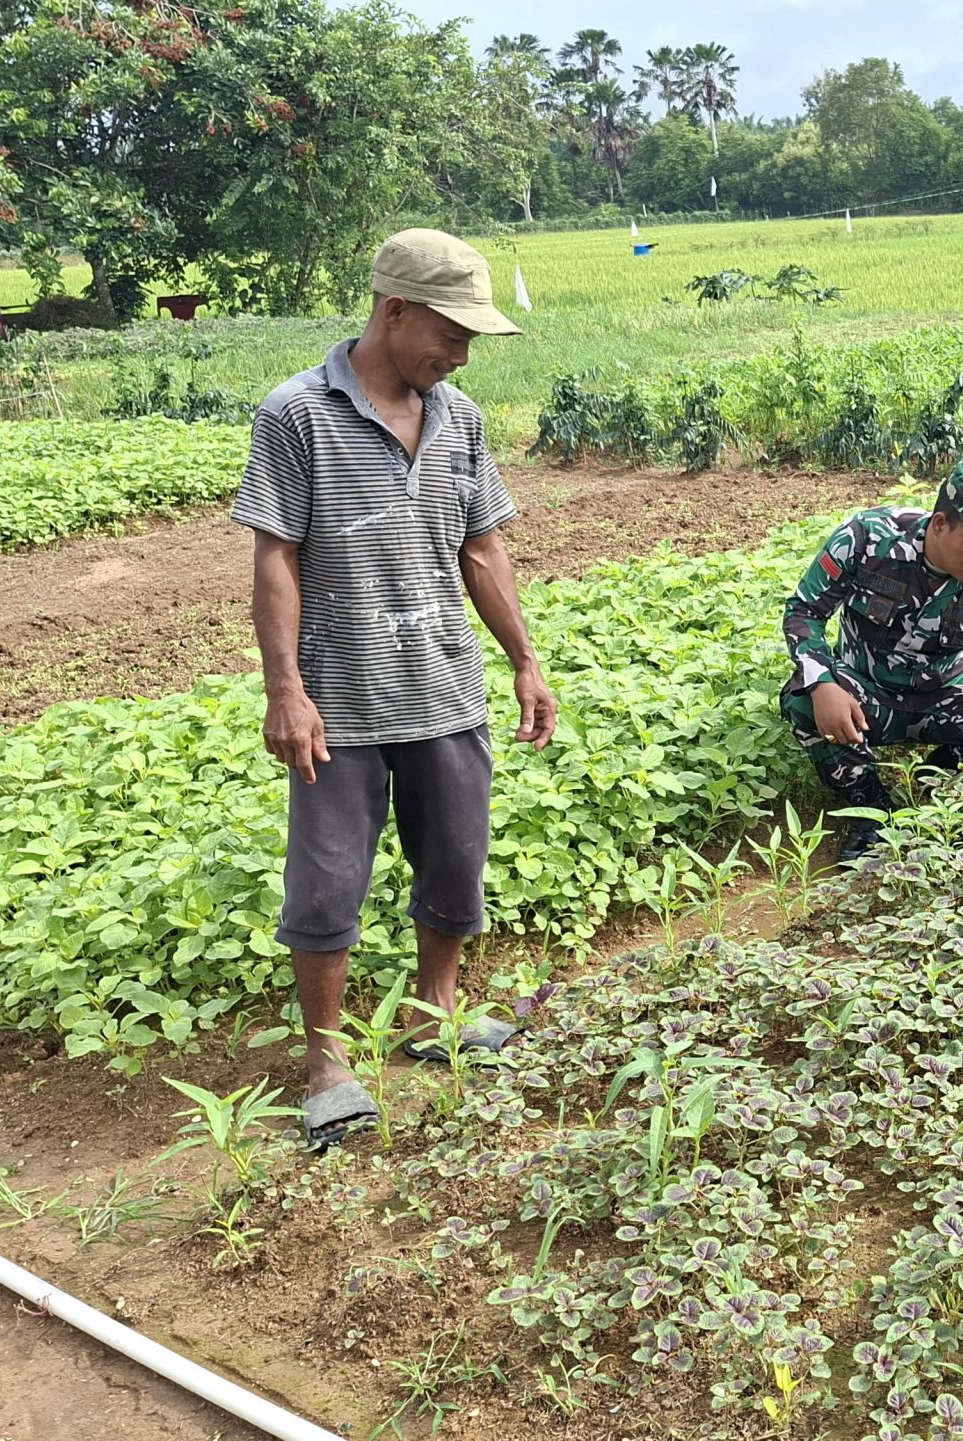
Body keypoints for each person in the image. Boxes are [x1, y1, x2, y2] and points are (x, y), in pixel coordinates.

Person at [230, 228, 557, 1148]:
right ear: (395, 309)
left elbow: (482, 547)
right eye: (451, 335)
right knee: (328, 882)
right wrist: (285, 688)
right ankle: (326, 1062)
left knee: (455, 866)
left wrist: (525, 659)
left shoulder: (459, 418)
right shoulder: (296, 414)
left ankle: (434, 1013)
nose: (459, 356)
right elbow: (276, 557)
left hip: (444, 688)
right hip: (342, 701)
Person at [781, 456, 963, 860]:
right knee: (802, 699)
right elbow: (804, 612)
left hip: (947, 693)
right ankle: (870, 810)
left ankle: (940, 772)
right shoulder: (867, 538)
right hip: (866, 692)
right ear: (939, 524)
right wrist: (823, 683)